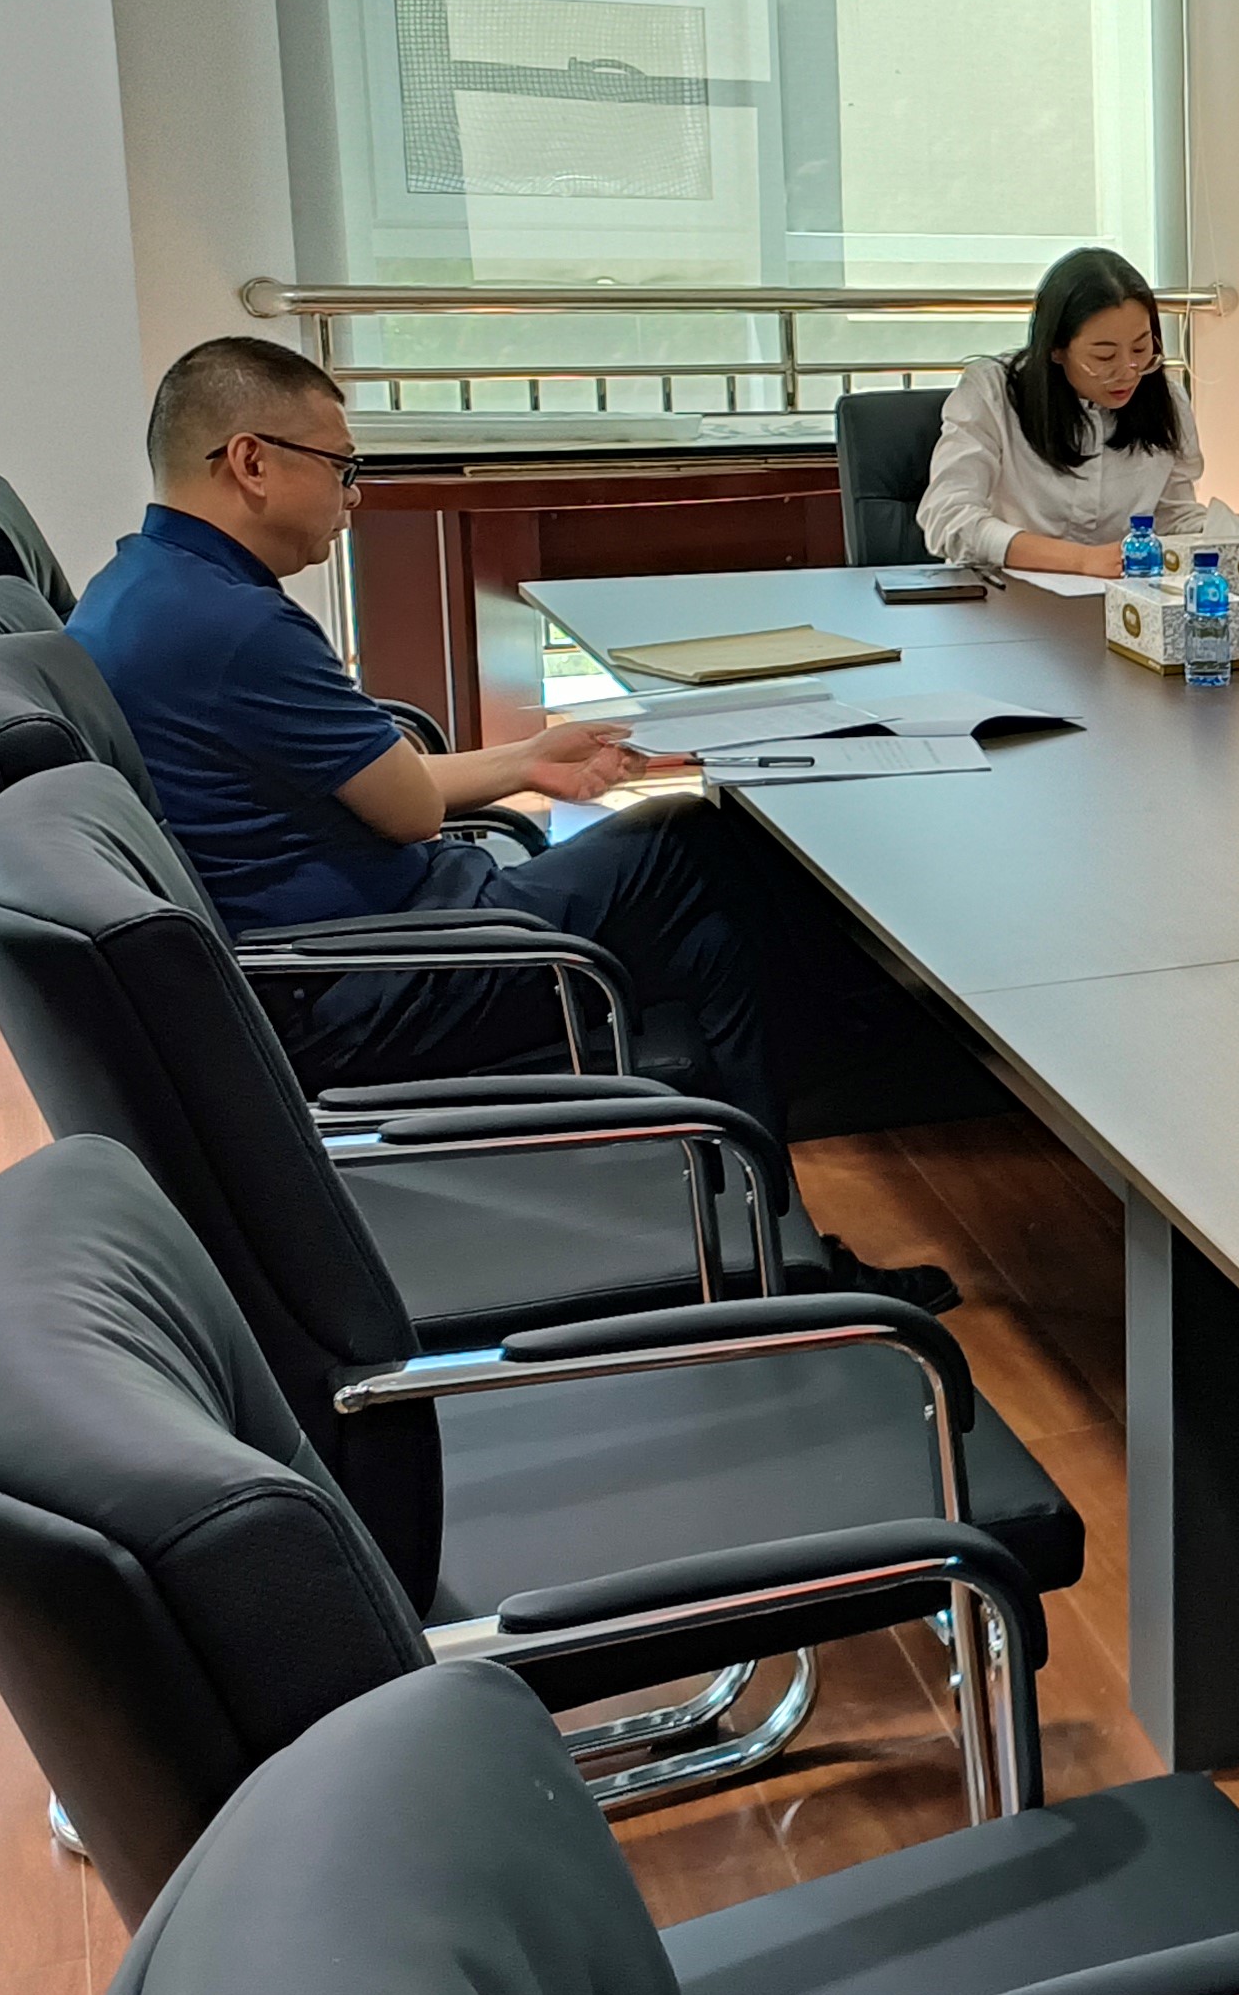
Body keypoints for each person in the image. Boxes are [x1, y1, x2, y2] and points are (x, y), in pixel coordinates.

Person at [70, 338, 940, 1296]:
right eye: (342, 467)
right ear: (252, 462)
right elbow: (406, 808)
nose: (354, 495)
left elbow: (377, 778)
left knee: (713, 940)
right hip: (374, 974)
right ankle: (878, 1055)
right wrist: (520, 768)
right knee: (689, 841)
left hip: (353, 950)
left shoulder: (140, 589)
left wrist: (529, 759)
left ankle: (770, 1252)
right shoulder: (236, 626)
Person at [922, 246, 1204, 576]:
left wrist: (1235, 534)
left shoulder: (1166, 400)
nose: (1129, 371)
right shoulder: (992, 392)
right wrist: (1081, 560)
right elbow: (948, 518)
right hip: (1007, 593)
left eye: (1141, 348)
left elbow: (1173, 517)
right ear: (1056, 349)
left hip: (1123, 595)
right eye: (1104, 356)